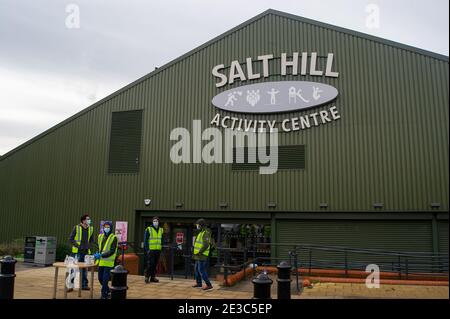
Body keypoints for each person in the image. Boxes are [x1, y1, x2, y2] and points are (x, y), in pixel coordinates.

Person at [68, 214, 94, 291]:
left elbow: (92, 240)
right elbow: (70, 239)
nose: (89, 220)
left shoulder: (91, 229)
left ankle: (84, 285)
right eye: (88, 219)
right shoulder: (76, 228)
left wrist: (89, 246)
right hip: (77, 252)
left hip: (86, 252)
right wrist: (78, 246)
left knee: (85, 269)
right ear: (83, 220)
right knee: (74, 269)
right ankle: (70, 286)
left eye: (89, 219)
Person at [94, 221, 118, 299]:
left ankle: (103, 295)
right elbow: (98, 246)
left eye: (108, 227)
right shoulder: (100, 236)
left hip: (108, 262)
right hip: (101, 261)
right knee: (100, 278)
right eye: (105, 227)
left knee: (105, 280)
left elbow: (112, 250)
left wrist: (101, 255)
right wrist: (97, 252)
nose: (106, 228)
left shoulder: (114, 237)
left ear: (111, 228)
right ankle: (108, 290)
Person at [192, 219, 213, 291]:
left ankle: (209, 285)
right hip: (198, 255)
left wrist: (200, 252)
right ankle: (199, 283)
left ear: (201, 225)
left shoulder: (206, 232)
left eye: (197, 224)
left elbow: (206, 244)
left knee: (201, 270)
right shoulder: (201, 232)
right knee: (196, 270)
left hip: (202, 255)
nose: (197, 226)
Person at [144, 217, 163, 283]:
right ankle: (147, 277)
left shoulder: (161, 229)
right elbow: (146, 240)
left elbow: (162, 240)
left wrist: (161, 248)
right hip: (151, 250)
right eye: (154, 221)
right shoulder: (149, 229)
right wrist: (147, 250)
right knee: (150, 264)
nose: (155, 222)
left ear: (158, 222)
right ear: (152, 222)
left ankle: (153, 277)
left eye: (156, 221)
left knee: (155, 264)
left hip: (158, 250)